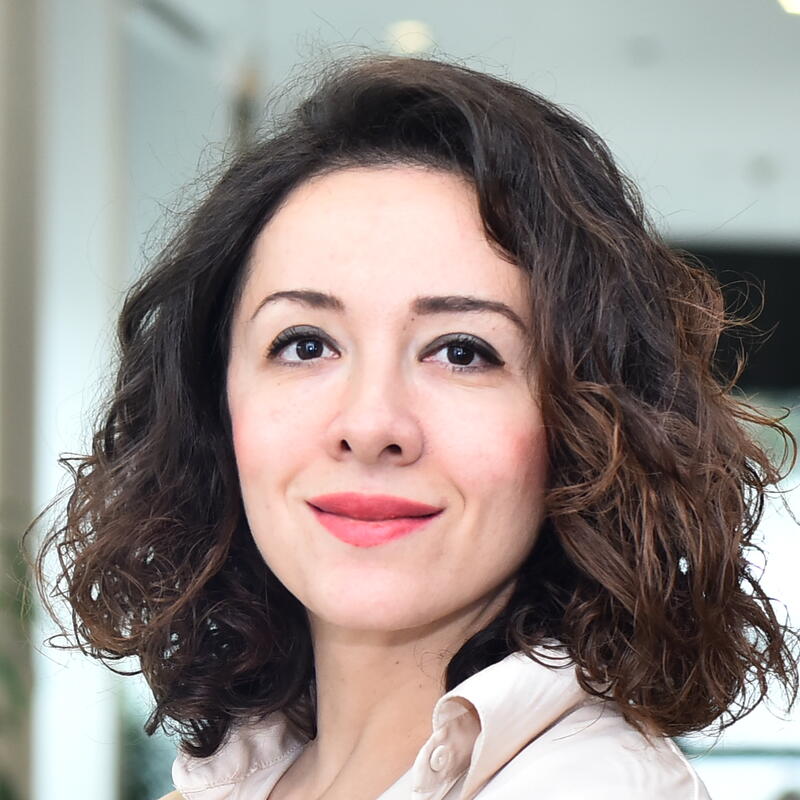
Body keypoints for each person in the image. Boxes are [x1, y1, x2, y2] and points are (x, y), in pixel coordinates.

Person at [31, 54, 798, 799]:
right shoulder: (238, 775)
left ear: (587, 428)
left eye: (462, 351)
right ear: (214, 402)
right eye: (305, 345)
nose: (370, 425)